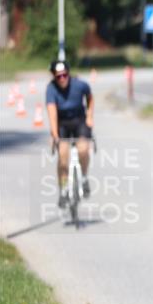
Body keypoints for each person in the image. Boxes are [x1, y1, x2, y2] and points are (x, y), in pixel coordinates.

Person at [46, 60, 94, 207]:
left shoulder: (79, 85)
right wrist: (54, 134)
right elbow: (52, 112)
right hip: (62, 124)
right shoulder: (51, 88)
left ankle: (84, 177)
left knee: (83, 149)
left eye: (64, 75)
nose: (62, 79)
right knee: (63, 155)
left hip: (79, 121)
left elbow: (90, 98)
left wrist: (90, 116)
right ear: (54, 76)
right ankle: (64, 189)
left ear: (69, 74)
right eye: (58, 76)